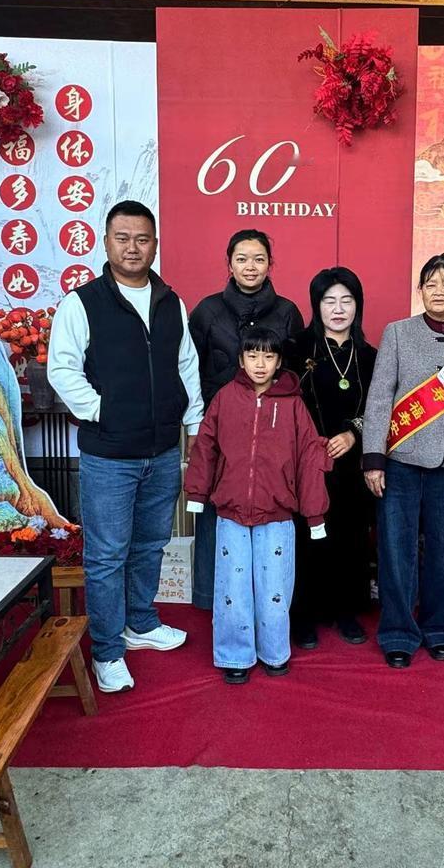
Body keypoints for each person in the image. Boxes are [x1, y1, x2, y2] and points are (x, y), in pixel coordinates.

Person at [47, 200, 203, 694]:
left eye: (142, 239)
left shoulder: (170, 301)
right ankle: (108, 651)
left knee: (151, 544)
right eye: (123, 238)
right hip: (109, 456)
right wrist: (102, 410)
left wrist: (193, 422)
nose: (132, 248)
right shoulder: (83, 302)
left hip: (162, 451)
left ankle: (140, 623)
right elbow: (61, 368)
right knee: (107, 556)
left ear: (155, 244)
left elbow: (186, 365)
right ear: (106, 242)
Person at [362, 254, 444, 669]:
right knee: (396, 550)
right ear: (420, 290)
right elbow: (380, 396)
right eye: (431, 283)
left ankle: (440, 629)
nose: (439, 291)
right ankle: (398, 633)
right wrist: (373, 458)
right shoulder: (397, 333)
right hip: (401, 463)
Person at [184, 329, 331, 684]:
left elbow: (310, 458)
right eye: (252, 356)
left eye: (268, 356)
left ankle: (274, 652)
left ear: (279, 362)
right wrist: (196, 494)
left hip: (277, 513)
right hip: (231, 511)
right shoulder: (225, 398)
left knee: (274, 586)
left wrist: (315, 514)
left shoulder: (293, 404)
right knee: (232, 587)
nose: (260, 364)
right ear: (241, 360)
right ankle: (235, 655)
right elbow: (206, 447)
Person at [189, 230, 305, 611]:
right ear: (229, 264)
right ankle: (215, 600)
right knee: (217, 513)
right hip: (220, 432)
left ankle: (271, 603)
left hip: (271, 434)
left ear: (270, 264)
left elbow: (295, 378)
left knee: (272, 516)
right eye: (241, 259)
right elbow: (188, 370)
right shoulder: (207, 311)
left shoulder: (287, 312)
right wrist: (197, 422)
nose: (250, 267)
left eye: (258, 259)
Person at [289, 267, 378, 648]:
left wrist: (353, 433)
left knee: (350, 536)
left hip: (351, 463)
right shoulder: (296, 349)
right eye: (329, 301)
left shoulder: (370, 356)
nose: (338, 309)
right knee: (305, 537)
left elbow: (380, 408)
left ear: (358, 305)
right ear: (316, 305)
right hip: (305, 460)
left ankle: (346, 611)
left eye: (347, 301)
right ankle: (303, 615)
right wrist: (310, 442)